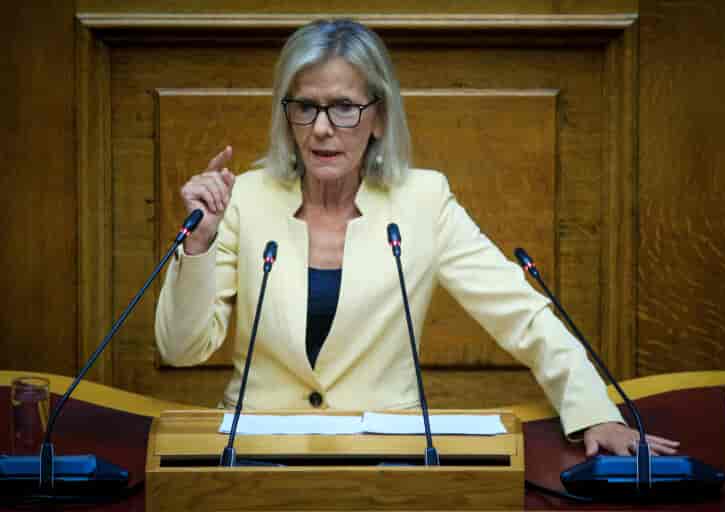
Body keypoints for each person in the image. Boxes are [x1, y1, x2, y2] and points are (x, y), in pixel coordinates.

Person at [155, 18, 678, 457]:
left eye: (344, 107)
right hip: (252, 453)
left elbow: (522, 314)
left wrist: (593, 412)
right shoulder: (245, 198)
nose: (321, 128)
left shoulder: (423, 201)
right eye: (305, 106)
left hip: (386, 456)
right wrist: (198, 243)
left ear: (379, 118)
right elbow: (181, 350)